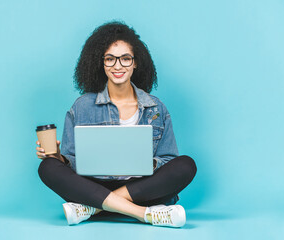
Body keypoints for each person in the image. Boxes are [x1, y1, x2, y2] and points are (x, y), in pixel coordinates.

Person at [36, 21, 197, 227]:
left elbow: (169, 158)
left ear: (135, 62)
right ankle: (144, 213)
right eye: (110, 59)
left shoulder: (156, 107)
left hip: (139, 187)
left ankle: (93, 207)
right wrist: (60, 158)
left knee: (186, 165)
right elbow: (75, 162)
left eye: (125, 59)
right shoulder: (82, 106)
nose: (118, 66)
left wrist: (150, 164)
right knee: (48, 166)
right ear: (101, 63)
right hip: (95, 183)